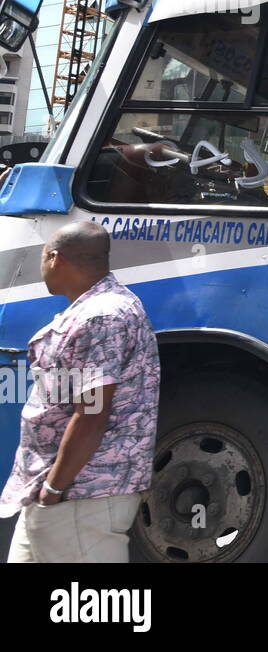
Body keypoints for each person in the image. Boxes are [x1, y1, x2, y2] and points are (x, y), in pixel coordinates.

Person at [1, 221, 160, 563]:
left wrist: (55, 489)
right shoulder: (98, 308)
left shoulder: (100, 318)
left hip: (81, 495)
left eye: (42, 257)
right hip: (52, 491)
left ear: (55, 259)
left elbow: (90, 414)